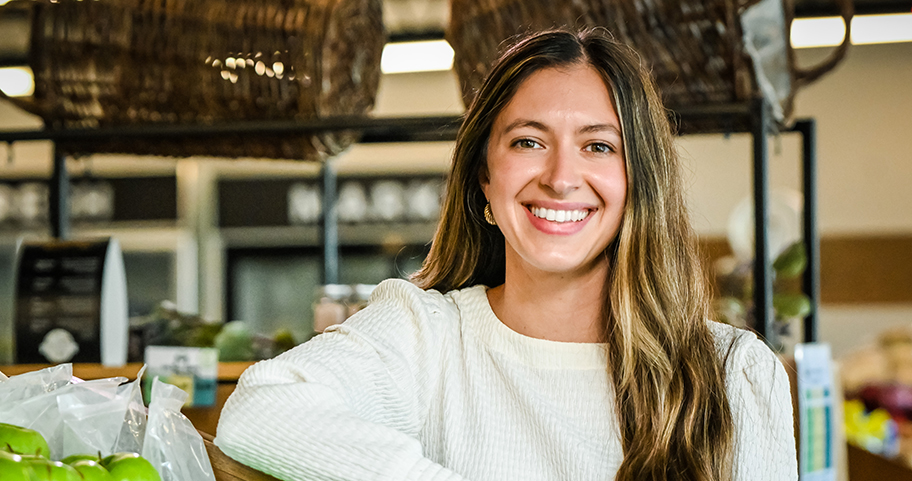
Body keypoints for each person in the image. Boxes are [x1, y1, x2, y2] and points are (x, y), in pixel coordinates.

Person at [215, 27, 798, 481]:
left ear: (640, 183)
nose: (562, 177)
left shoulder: (732, 373)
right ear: (484, 183)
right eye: (528, 141)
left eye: (598, 146)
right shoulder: (426, 338)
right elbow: (261, 409)